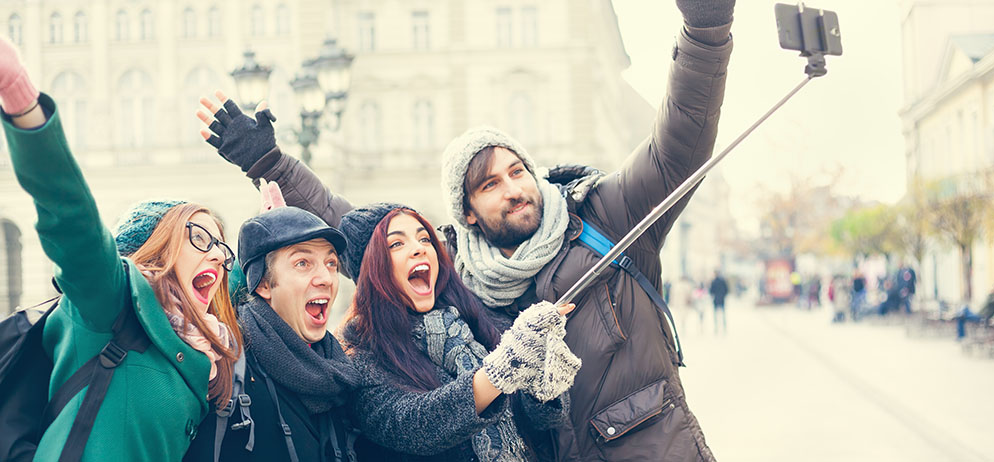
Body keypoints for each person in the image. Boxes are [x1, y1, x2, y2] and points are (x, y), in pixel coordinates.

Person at [200, 1, 735, 457]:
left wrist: (706, 32)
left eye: (518, 171)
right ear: (468, 211)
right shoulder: (457, 271)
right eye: (489, 185)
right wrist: (269, 162)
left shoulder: (606, 216)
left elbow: (678, 149)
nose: (513, 189)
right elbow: (359, 226)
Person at [0, 39, 241, 460]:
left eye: (221, 244)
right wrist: (24, 108)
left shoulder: (204, 341)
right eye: (200, 238)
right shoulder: (111, 307)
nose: (219, 255)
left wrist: (272, 196)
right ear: (156, 252)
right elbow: (71, 219)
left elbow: (249, 280)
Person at [336, 203, 578, 461]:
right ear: (368, 270)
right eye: (396, 244)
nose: (419, 248)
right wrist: (503, 368)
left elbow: (537, 423)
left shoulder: (473, 320)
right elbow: (417, 426)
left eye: (424, 238)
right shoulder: (359, 355)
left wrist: (544, 379)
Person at [185, 184, 361, 461]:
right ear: (264, 285)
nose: (326, 278)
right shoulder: (222, 364)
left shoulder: (344, 372)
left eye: (331, 264)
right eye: (303, 263)